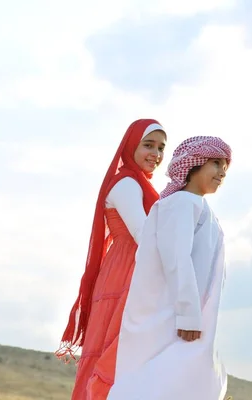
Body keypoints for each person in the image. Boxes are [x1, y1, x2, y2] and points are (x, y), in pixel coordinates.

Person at [106, 136, 233, 400]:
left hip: (191, 316)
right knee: (159, 382)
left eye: (225, 166)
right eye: (215, 163)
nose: (222, 172)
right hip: (171, 317)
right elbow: (175, 258)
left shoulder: (200, 207)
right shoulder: (180, 204)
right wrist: (188, 314)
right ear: (193, 165)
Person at [55, 118, 167, 400]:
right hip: (126, 270)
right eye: (148, 145)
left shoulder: (138, 183)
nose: (156, 154)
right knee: (114, 349)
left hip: (135, 266)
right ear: (131, 146)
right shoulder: (127, 183)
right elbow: (144, 234)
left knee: (127, 350)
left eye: (161, 147)